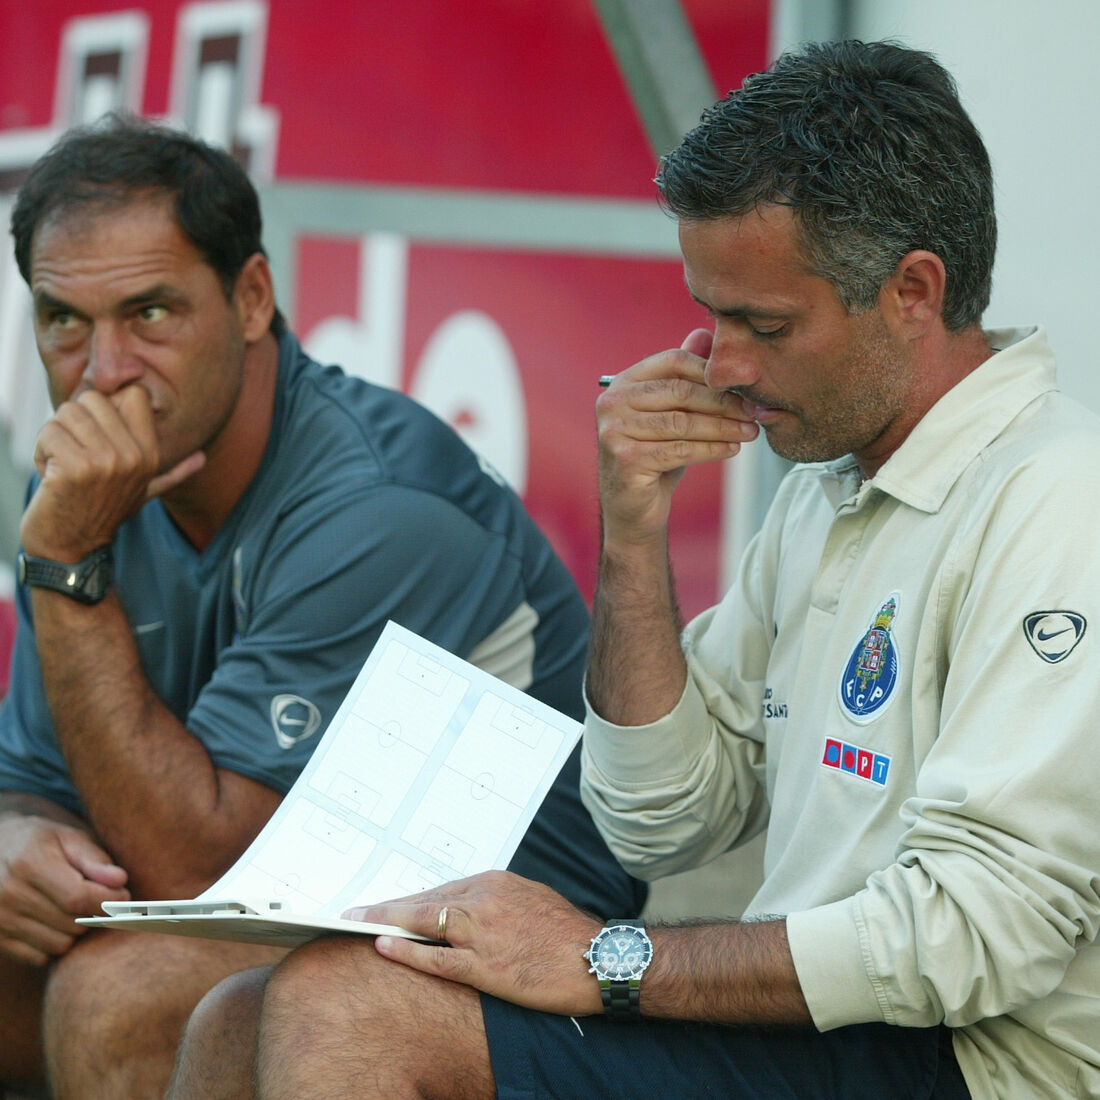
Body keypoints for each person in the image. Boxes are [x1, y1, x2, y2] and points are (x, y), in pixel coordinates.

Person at [167, 38, 1100, 1100]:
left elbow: (978, 932)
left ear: (913, 291)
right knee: (237, 1017)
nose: (724, 364)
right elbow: (659, 818)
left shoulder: (1058, 498)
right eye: (712, 315)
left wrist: (606, 958)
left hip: (975, 1061)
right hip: (831, 1036)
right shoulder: (830, 486)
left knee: (347, 1011)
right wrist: (633, 530)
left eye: (763, 323)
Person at [0, 114, 645, 1100]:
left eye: (150, 313)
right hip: (289, 891)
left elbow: (195, 871)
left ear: (252, 297)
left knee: (115, 995)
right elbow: (33, 779)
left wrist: (67, 566)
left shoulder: (373, 505)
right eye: (64, 321)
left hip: (517, 934)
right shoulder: (96, 477)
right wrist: (17, 843)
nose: (103, 371)